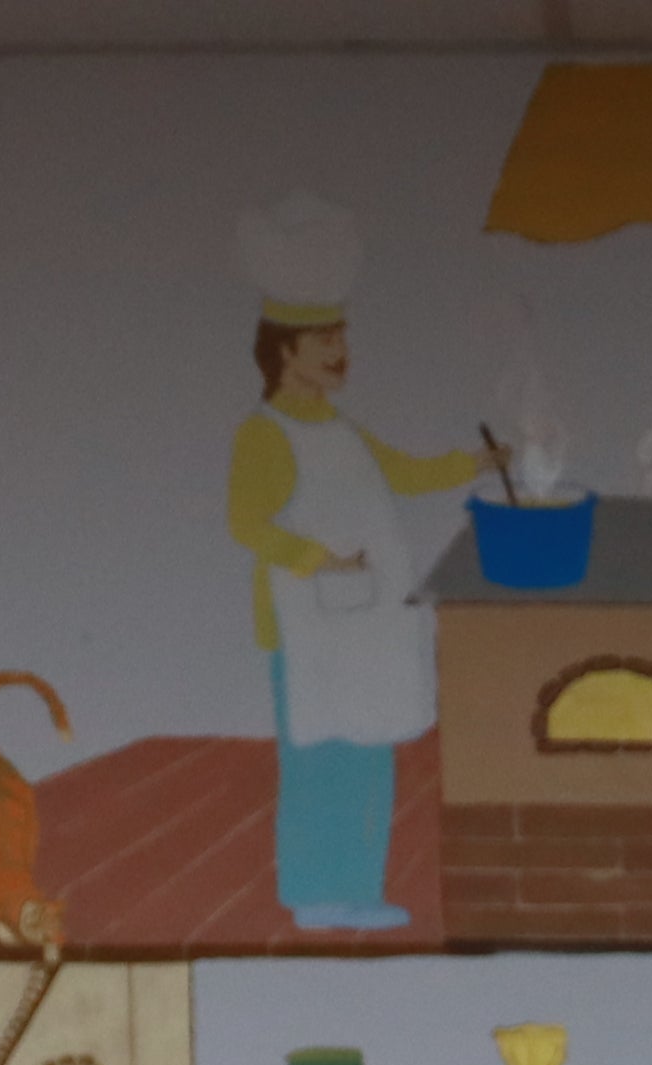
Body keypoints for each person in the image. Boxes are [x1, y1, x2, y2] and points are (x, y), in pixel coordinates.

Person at [223, 200, 482, 935]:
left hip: (363, 621)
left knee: (371, 756)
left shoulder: (338, 428)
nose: (341, 351)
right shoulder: (264, 435)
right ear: (284, 351)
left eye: (343, 336)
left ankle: (359, 889)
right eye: (325, 340)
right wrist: (317, 559)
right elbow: (246, 523)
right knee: (318, 762)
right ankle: (313, 895)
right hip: (303, 627)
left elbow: (403, 471)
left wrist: (476, 462)